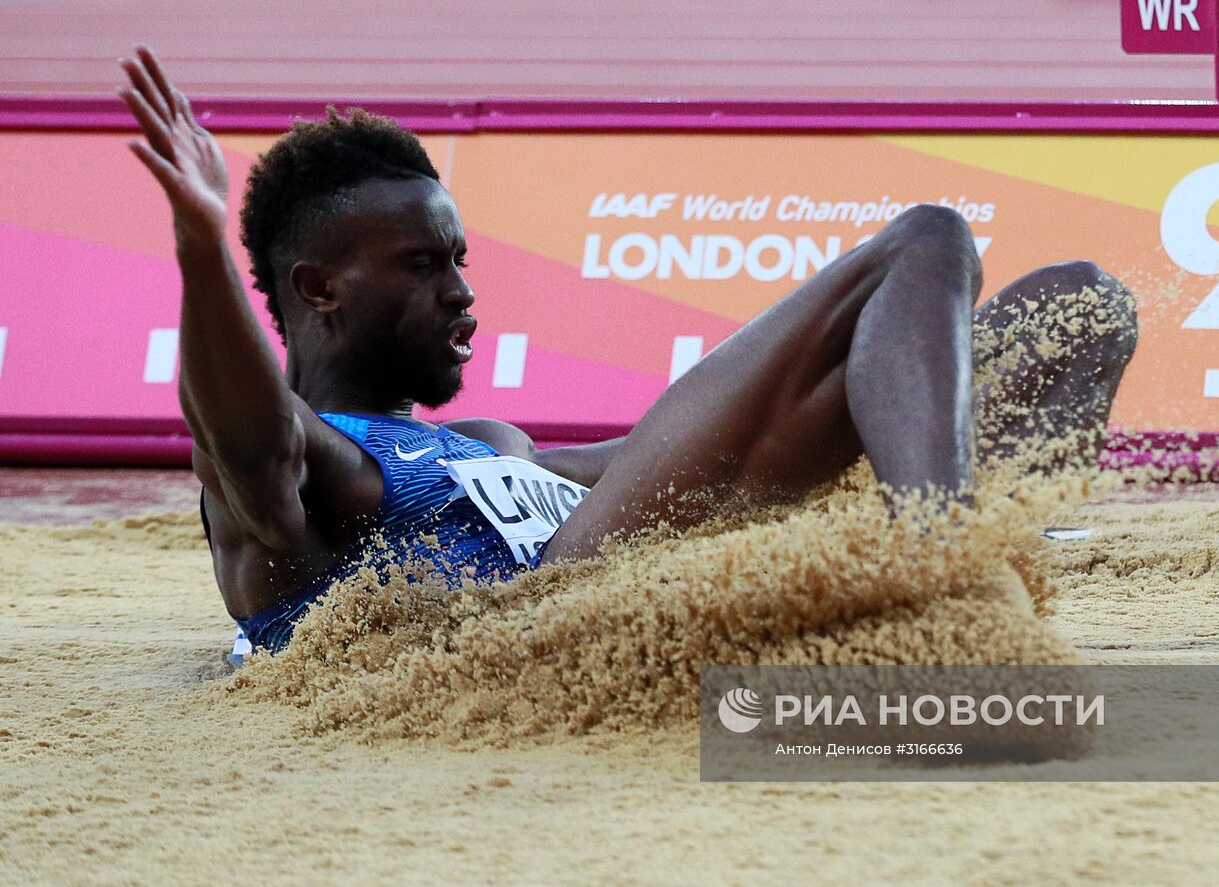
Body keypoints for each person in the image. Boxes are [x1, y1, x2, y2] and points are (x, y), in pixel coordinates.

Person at [117, 47, 1137, 653]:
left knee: (1078, 308)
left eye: (462, 261)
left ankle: (970, 544)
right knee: (924, 239)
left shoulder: (486, 441)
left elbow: (679, 451)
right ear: (319, 289)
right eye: (426, 265)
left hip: (641, 559)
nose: (463, 293)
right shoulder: (302, 479)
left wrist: (862, 395)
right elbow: (251, 440)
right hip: (542, 618)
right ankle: (953, 563)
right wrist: (201, 251)